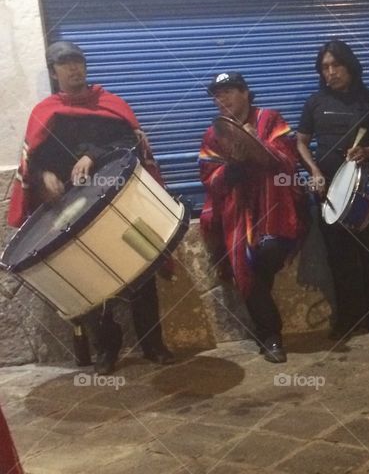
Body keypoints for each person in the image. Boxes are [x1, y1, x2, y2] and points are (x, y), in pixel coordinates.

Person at [7, 40, 174, 374]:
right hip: (76, 216)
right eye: (65, 64)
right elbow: (32, 163)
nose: (74, 68)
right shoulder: (46, 113)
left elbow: (132, 146)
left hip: (123, 205)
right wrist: (43, 176)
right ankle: (106, 351)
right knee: (92, 282)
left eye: (77, 61)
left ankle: (153, 345)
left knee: (143, 273)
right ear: (54, 72)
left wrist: (92, 155)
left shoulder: (110, 105)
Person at [199, 71, 306, 363]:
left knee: (266, 254)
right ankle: (271, 336)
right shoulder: (214, 133)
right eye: (217, 95)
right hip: (237, 213)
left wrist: (253, 145)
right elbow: (208, 175)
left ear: (245, 93)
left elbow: (287, 158)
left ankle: (265, 328)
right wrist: (230, 170)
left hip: (275, 208)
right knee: (244, 264)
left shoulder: (270, 119)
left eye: (229, 92)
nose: (222, 99)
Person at [296, 40, 369, 339]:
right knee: (339, 259)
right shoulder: (315, 103)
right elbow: (300, 141)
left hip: (367, 193)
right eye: (324, 67)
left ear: (349, 66)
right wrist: (313, 171)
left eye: (336, 65)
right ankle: (347, 319)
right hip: (329, 194)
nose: (330, 72)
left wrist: (368, 152)